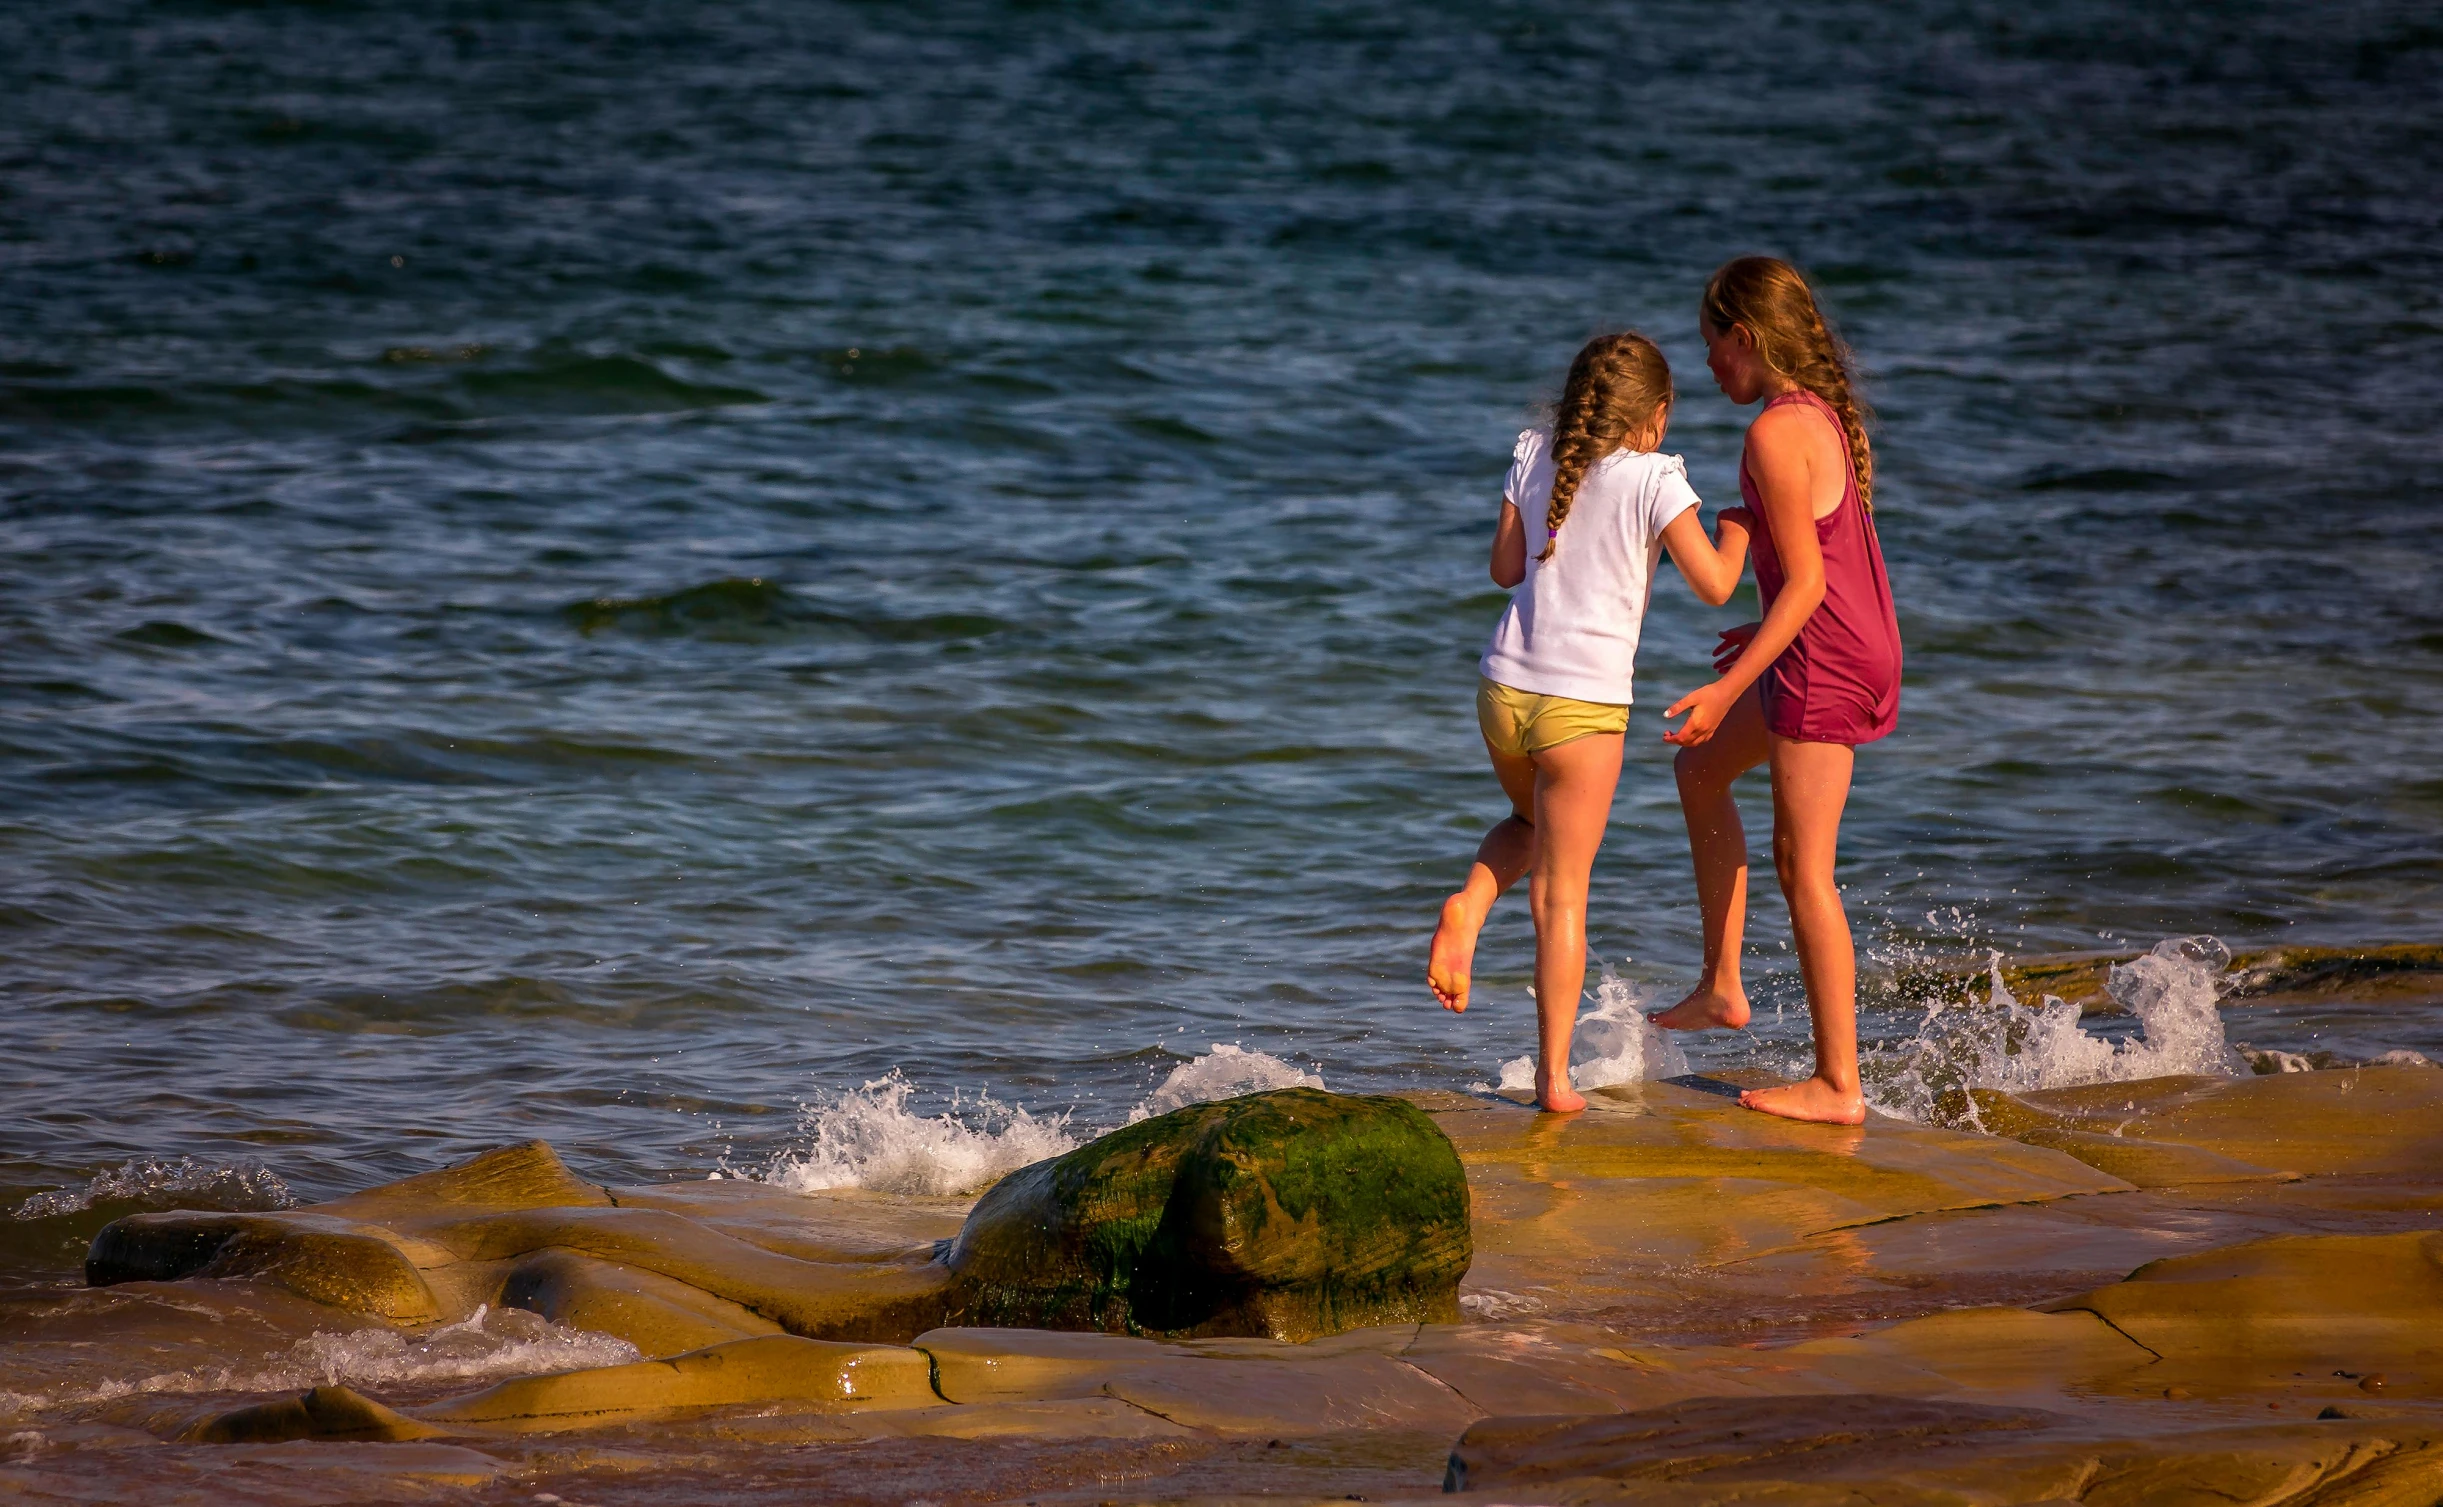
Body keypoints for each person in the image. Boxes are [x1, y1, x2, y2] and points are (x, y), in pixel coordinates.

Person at [1428, 332, 1751, 1113]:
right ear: (1658, 415)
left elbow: (1504, 570)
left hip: (1502, 688)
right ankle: (1553, 1080)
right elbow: (1713, 585)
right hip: (1583, 707)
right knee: (1562, 897)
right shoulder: (1654, 478)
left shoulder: (1534, 450)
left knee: (1526, 823)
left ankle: (1469, 903)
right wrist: (1739, 530)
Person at [1648, 257, 1903, 1127]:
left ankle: (1840, 1084)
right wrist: (1754, 642)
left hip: (1823, 653)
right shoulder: (1811, 415)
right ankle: (1722, 983)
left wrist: (1725, 686)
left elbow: (1801, 586)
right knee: (1700, 774)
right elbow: (1813, 568)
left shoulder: (1772, 433)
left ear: (1745, 337)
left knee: (1806, 871)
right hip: (1835, 642)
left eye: (1711, 344)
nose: (1707, 364)